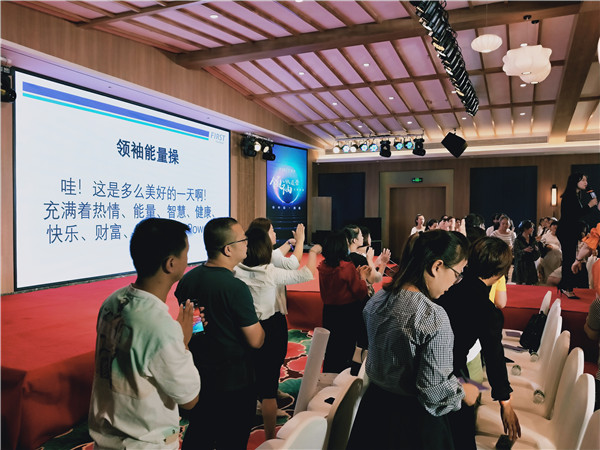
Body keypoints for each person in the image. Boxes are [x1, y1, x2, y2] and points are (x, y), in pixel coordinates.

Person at [347, 230, 479, 450]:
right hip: (413, 423)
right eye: (457, 273)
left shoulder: (377, 300)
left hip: (373, 410)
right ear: (437, 267)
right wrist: (463, 393)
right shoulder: (432, 316)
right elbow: (433, 392)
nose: (455, 282)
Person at [88, 218, 200, 449]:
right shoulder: (160, 326)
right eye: (186, 254)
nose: (187, 260)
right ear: (171, 263)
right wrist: (183, 342)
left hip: (107, 439)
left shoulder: (112, 301)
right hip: (145, 443)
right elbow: (189, 399)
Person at [175, 217, 265, 450]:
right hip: (234, 381)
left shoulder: (187, 280)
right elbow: (255, 340)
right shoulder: (235, 287)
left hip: (200, 375)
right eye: (243, 239)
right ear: (228, 249)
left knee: (200, 433)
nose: (247, 243)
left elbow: (193, 327)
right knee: (232, 440)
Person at [234, 226, 321, 440]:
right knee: (269, 383)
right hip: (271, 328)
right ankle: (270, 437)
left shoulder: (236, 269)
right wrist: (312, 251)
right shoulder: (269, 272)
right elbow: (306, 273)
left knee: (250, 376)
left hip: (245, 328)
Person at [436, 237, 521, 449]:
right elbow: (494, 357)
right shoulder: (487, 310)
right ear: (500, 273)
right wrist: (505, 403)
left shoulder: (448, 287)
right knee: (461, 436)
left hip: (428, 370)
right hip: (453, 374)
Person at [318, 230, 374, 373]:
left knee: (331, 346)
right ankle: (344, 377)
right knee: (346, 346)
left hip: (329, 311)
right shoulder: (346, 267)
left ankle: (329, 373)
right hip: (347, 313)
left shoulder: (323, 266)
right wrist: (362, 277)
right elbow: (360, 292)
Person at [557, 173, 598, 298]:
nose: (586, 183)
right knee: (568, 259)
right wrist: (590, 205)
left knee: (569, 259)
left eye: (586, 180)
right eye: (583, 180)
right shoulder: (569, 197)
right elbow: (574, 215)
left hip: (569, 231)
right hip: (566, 232)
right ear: (575, 181)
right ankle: (566, 288)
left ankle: (565, 286)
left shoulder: (575, 196)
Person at [512, 220, 540, 285]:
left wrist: (536, 250)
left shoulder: (533, 240)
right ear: (525, 229)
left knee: (530, 284)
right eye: (531, 227)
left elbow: (537, 254)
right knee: (519, 284)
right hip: (520, 265)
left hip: (530, 264)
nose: (532, 229)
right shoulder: (518, 240)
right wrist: (524, 250)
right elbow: (516, 253)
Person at [539, 219, 562, 284]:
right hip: (547, 256)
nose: (555, 228)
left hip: (558, 257)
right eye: (553, 226)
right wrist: (546, 247)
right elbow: (541, 246)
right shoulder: (545, 236)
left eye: (556, 227)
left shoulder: (561, 236)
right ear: (550, 228)